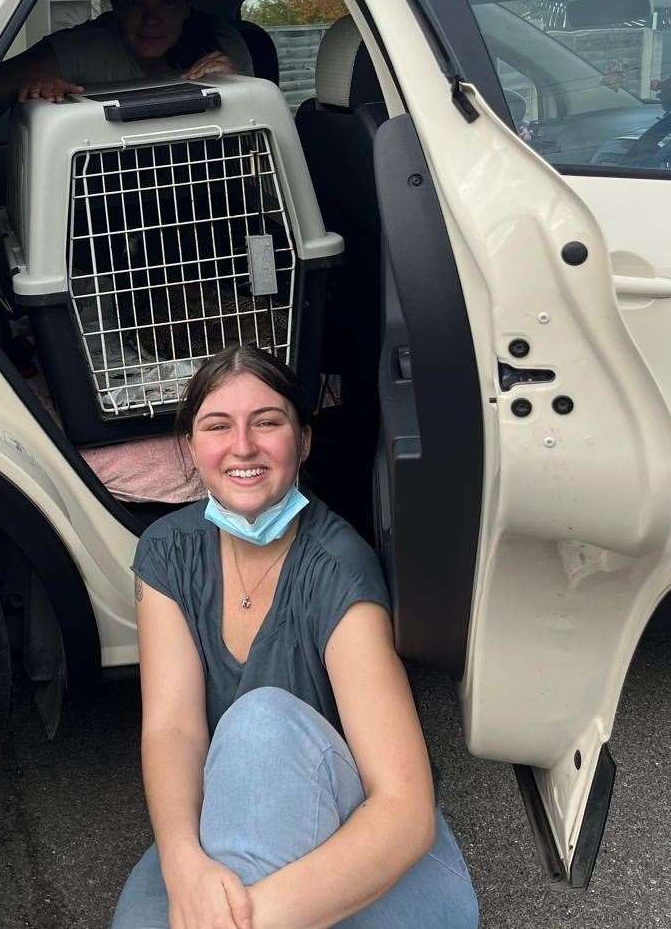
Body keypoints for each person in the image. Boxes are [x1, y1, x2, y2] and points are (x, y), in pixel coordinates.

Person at [112, 345, 479, 929]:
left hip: (372, 854)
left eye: (268, 422)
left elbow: (405, 811)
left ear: (303, 442)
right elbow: (172, 727)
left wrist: (253, 919)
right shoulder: (166, 551)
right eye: (217, 426)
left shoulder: (337, 567)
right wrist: (184, 868)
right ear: (190, 446)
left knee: (261, 724)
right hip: (236, 824)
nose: (243, 447)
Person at [0, 0, 254, 116]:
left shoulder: (220, 43)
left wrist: (234, 85)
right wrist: (35, 88)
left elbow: (253, 130)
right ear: (116, 8)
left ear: (186, 7)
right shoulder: (82, 47)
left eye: (168, 1)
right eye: (134, 2)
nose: (151, 18)